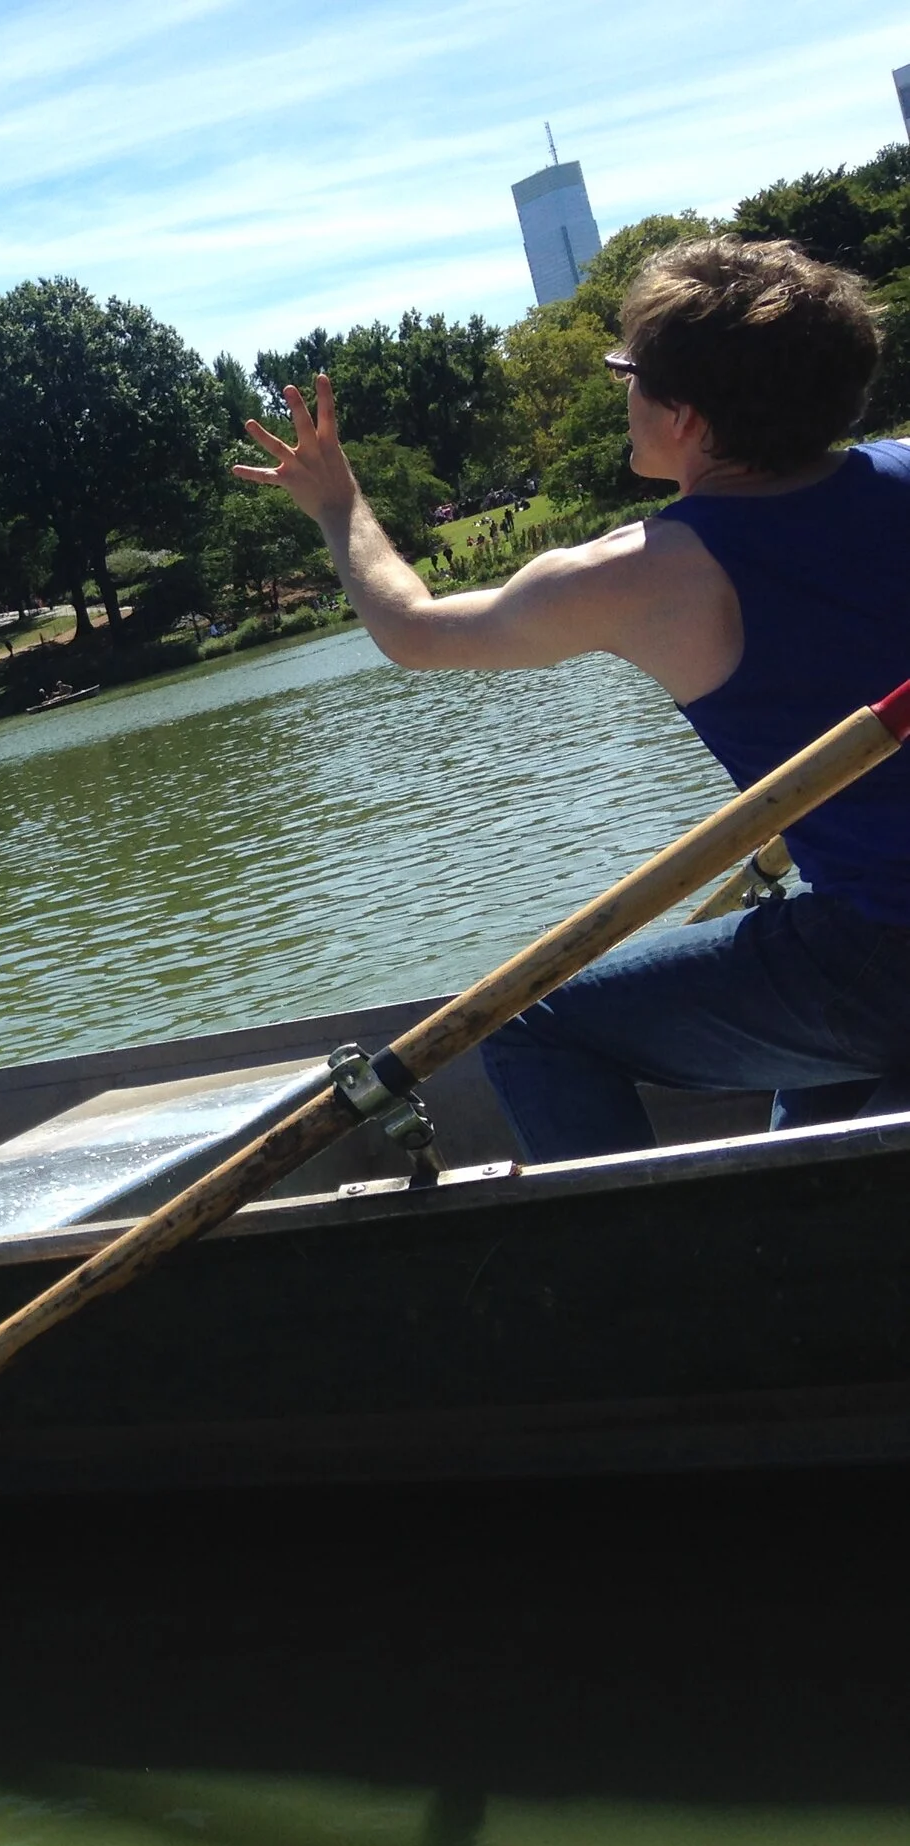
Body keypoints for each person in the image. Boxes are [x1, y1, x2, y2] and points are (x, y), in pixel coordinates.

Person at [236, 235, 910, 1162]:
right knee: (804, 1098)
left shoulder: (652, 572)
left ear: (687, 416)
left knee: (526, 1025)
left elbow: (416, 628)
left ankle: (632, 1295)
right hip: (866, 949)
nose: (618, 390)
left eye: (627, 372)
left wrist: (338, 502)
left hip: (884, 956)